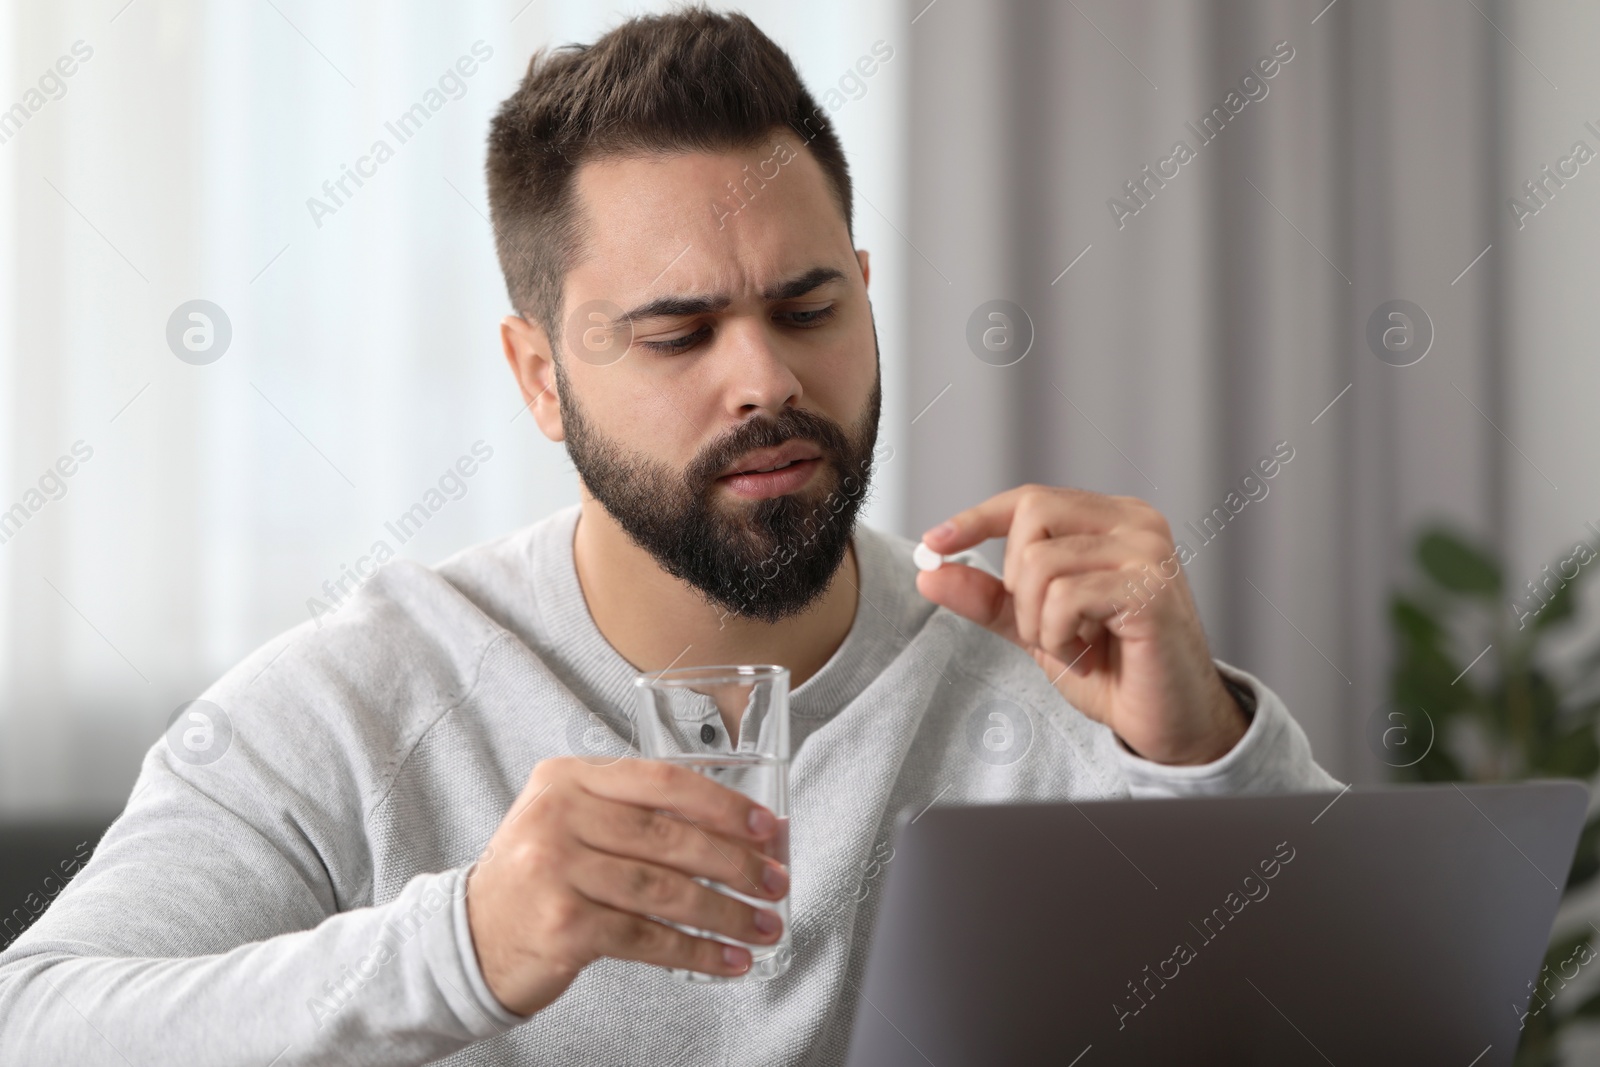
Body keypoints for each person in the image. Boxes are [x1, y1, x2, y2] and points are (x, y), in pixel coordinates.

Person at [0, 8, 1339, 1065]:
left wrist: (1206, 762)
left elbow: (1388, 1023)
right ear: (538, 378)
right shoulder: (367, 698)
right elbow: (39, 1025)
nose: (763, 379)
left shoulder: (1053, 675)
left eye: (809, 309)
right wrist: (469, 945)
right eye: (677, 332)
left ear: (868, 300)